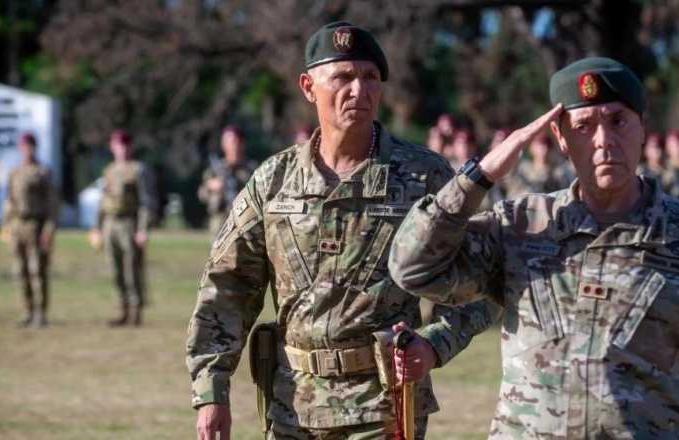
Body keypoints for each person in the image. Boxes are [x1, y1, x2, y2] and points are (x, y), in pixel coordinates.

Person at [389, 56, 679, 439]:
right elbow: (412, 268)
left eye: (618, 121)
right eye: (584, 126)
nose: (604, 140)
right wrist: (477, 177)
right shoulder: (521, 226)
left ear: (642, 127)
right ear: (561, 138)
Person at [187, 22, 494, 440]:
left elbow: (482, 280)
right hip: (292, 408)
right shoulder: (273, 181)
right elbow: (227, 286)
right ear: (308, 87)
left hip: (383, 408)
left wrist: (434, 343)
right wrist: (211, 391)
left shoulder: (424, 177)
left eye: (370, 77)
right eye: (344, 77)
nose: (359, 90)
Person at [88, 129, 157, 327]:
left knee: (131, 269)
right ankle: (122, 309)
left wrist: (143, 229)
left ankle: (135, 311)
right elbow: (102, 202)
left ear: (130, 146)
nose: (122, 148)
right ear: (112, 147)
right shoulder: (109, 170)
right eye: (118, 144)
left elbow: (146, 202)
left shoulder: (138, 170)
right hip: (110, 223)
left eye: (125, 144)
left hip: (129, 223)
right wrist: (96, 227)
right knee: (115, 268)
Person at [0, 133, 59, 328]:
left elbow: (52, 204)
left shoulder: (43, 172)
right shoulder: (14, 172)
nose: (27, 149)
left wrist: (49, 229)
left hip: (36, 225)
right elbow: (9, 200)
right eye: (24, 146)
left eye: (30, 145)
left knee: (37, 271)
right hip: (17, 225)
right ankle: (27, 311)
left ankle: (41, 313)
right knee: (20, 271)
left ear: (35, 147)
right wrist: (4, 224)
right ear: (20, 148)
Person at [198, 125, 258, 232]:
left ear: (242, 143)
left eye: (235, 141)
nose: (233, 146)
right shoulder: (215, 169)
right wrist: (210, 186)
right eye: (228, 142)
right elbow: (201, 194)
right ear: (223, 144)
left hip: (247, 224)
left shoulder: (251, 169)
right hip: (220, 225)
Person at [502, 132, 574, 199]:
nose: (544, 149)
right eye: (540, 145)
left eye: (548, 145)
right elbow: (507, 183)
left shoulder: (558, 171)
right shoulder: (521, 169)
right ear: (531, 147)